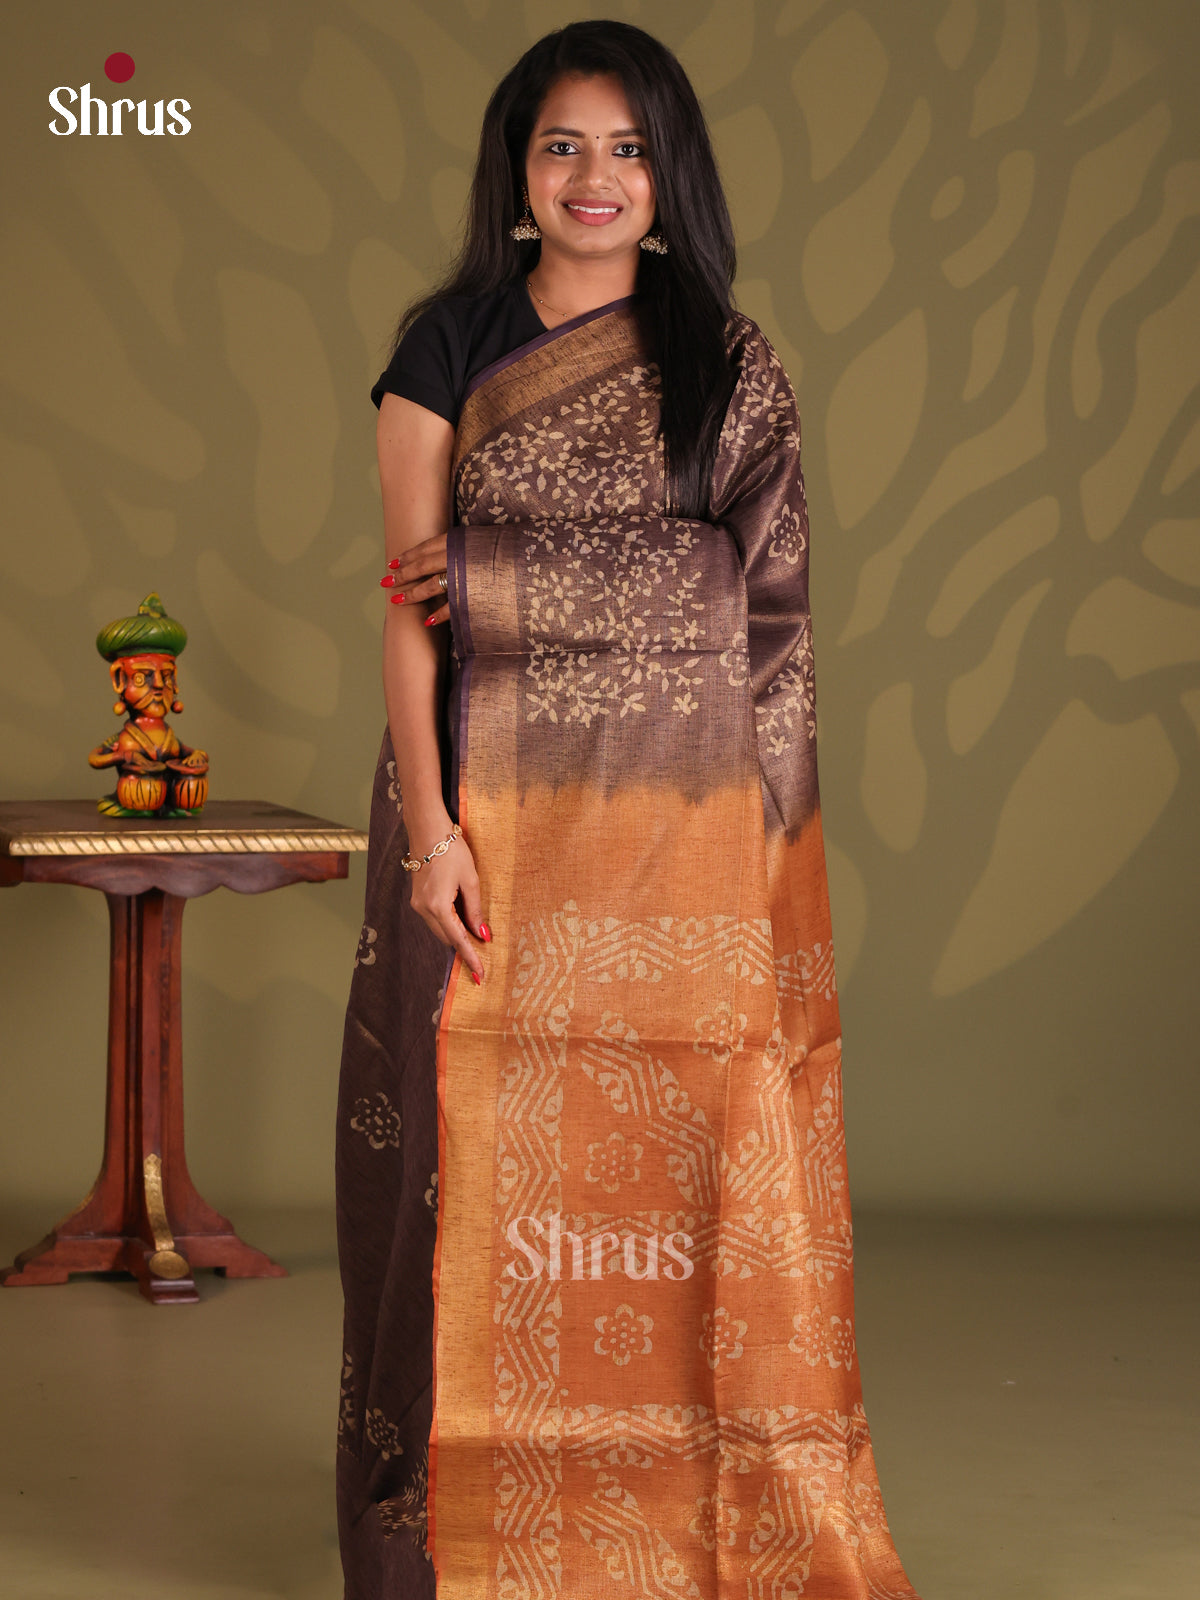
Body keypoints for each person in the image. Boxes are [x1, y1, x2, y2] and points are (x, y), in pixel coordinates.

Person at [336, 21, 921, 1599]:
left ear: (672, 179)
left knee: (672, 1177)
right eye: (563, 146)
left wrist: (506, 573)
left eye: (630, 149)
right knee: (460, 1174)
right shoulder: (446, 345)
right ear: (517, 173)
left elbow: (760, 607)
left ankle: (660, 1524)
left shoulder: (727, 362)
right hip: (483, 829)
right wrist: (433, 837)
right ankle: (437, 1535)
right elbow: (408, 615)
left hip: (681, 843)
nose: (595, 178)